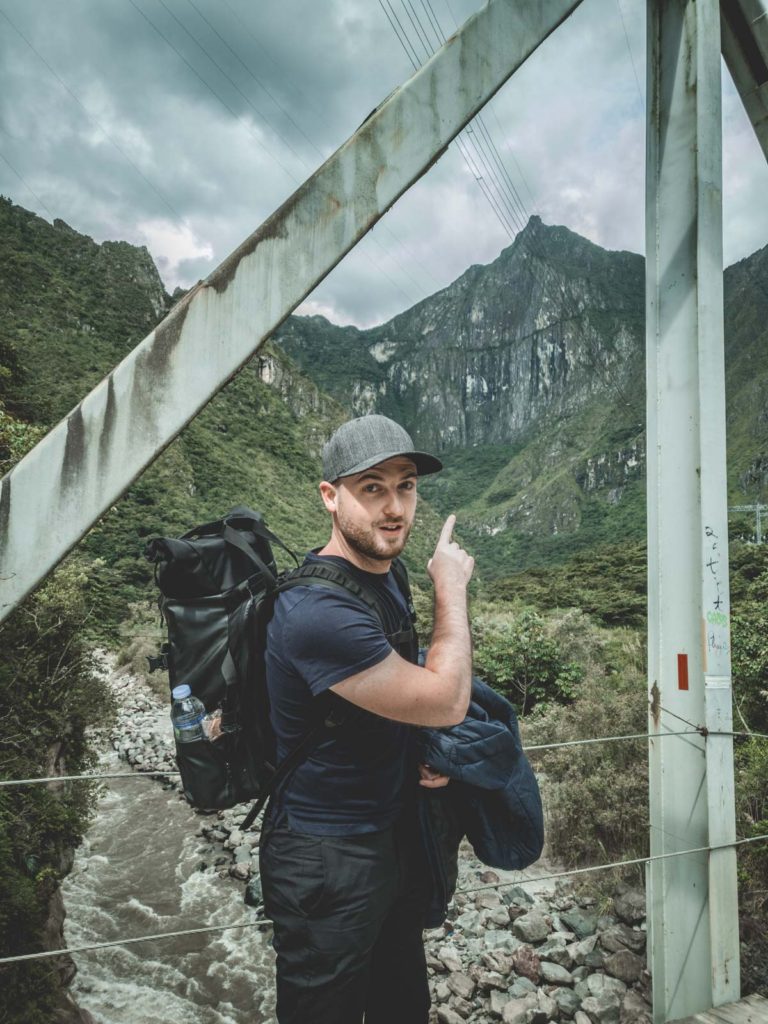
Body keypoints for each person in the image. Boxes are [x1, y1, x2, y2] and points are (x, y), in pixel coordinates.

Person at [259, 413, 475, 1024]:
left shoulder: (386, 575)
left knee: (403, 1007)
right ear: (330, 497)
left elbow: (389, 695)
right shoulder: (317, 611)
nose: (394, 507)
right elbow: (445, 698)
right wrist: (451, 590)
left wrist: (421, 755)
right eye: (372, 487)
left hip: (388, 833)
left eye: (405, 485)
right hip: (323, 857)